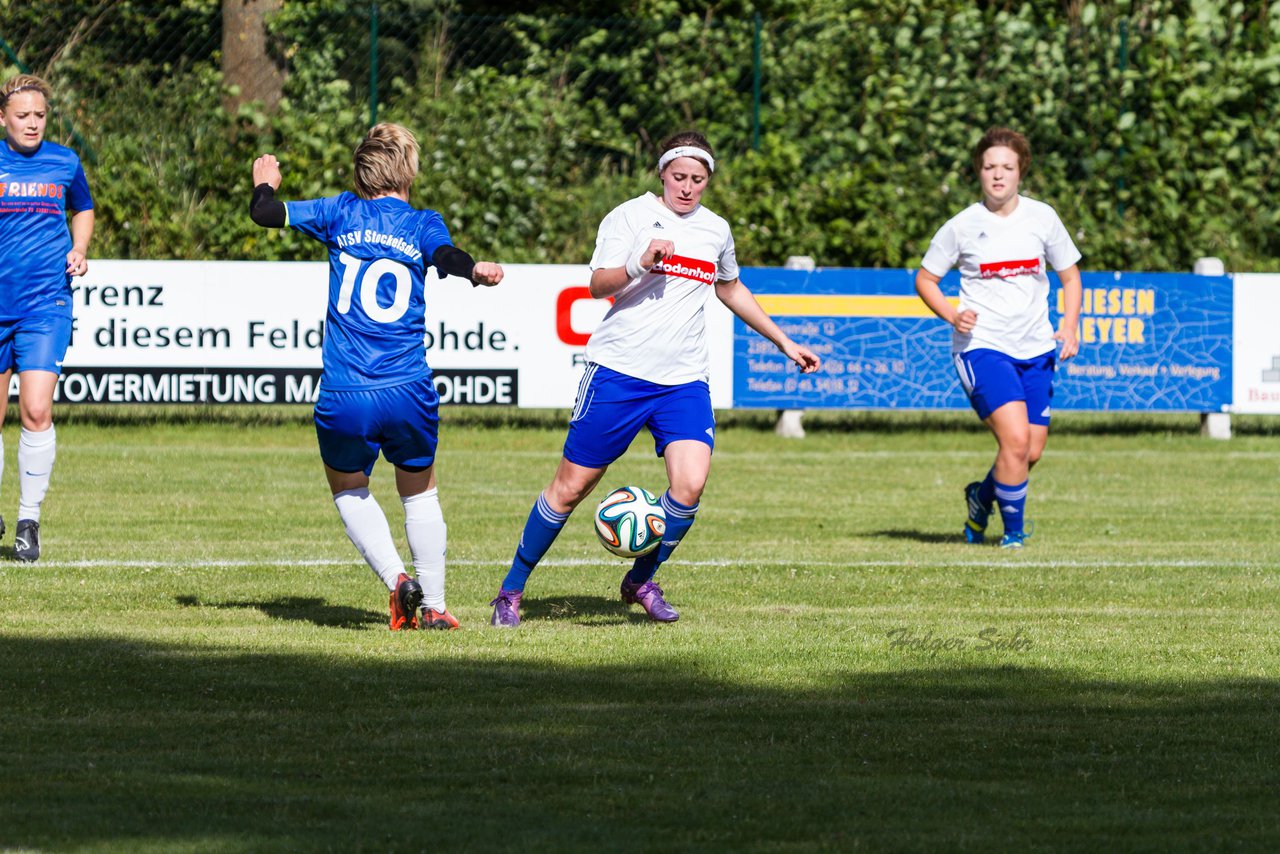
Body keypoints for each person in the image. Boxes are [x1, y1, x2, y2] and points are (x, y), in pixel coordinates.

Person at [489, 130, 821, 627]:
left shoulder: (716, 230)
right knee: (571, 488)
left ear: (708, 180)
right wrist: (638, 262)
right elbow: (597, 284)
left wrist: (783, 341)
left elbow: (730, 289)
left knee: (690, 486)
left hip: (684, 381)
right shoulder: (629, 216)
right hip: (619, 373)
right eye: (680, 176)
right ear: (663, 173)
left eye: (698, 179)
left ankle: (641, 578)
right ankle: (510, 591)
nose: (687, 187)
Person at [249, 123, 503, 630]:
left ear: (362, 171)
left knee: (348, 487)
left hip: (347, 391)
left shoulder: (339, 211)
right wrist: (473, 269)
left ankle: (396, 580)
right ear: (408, 170)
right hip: (407, 387)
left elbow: (264, 214)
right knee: (420, 491)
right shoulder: (421, 222)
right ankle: (433, 605)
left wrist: (265, 181)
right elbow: (446, 257)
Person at [914, 126, 1082, 548]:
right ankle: (1013, 535)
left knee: (1029, 452)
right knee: (1015, 440)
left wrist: (1070, 324)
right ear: (979, 171)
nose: (998, 175)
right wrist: (953, 314)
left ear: (1021, 170)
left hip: (1037, 347)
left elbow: (1070, 274)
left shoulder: (1042, 217)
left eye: (1007, 166)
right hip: (983, 347)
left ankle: (980, 498)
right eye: (990, 166)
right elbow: (926, 279)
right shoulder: (962, 226)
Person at [0, 74, 95, 562]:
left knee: (36, 409)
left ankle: (28, 521)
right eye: (22, 116)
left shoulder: (65, 161)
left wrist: (79, 248)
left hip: (45, 303)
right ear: (3, 118)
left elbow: (83, 206)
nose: (32, 123)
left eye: (39, 115)